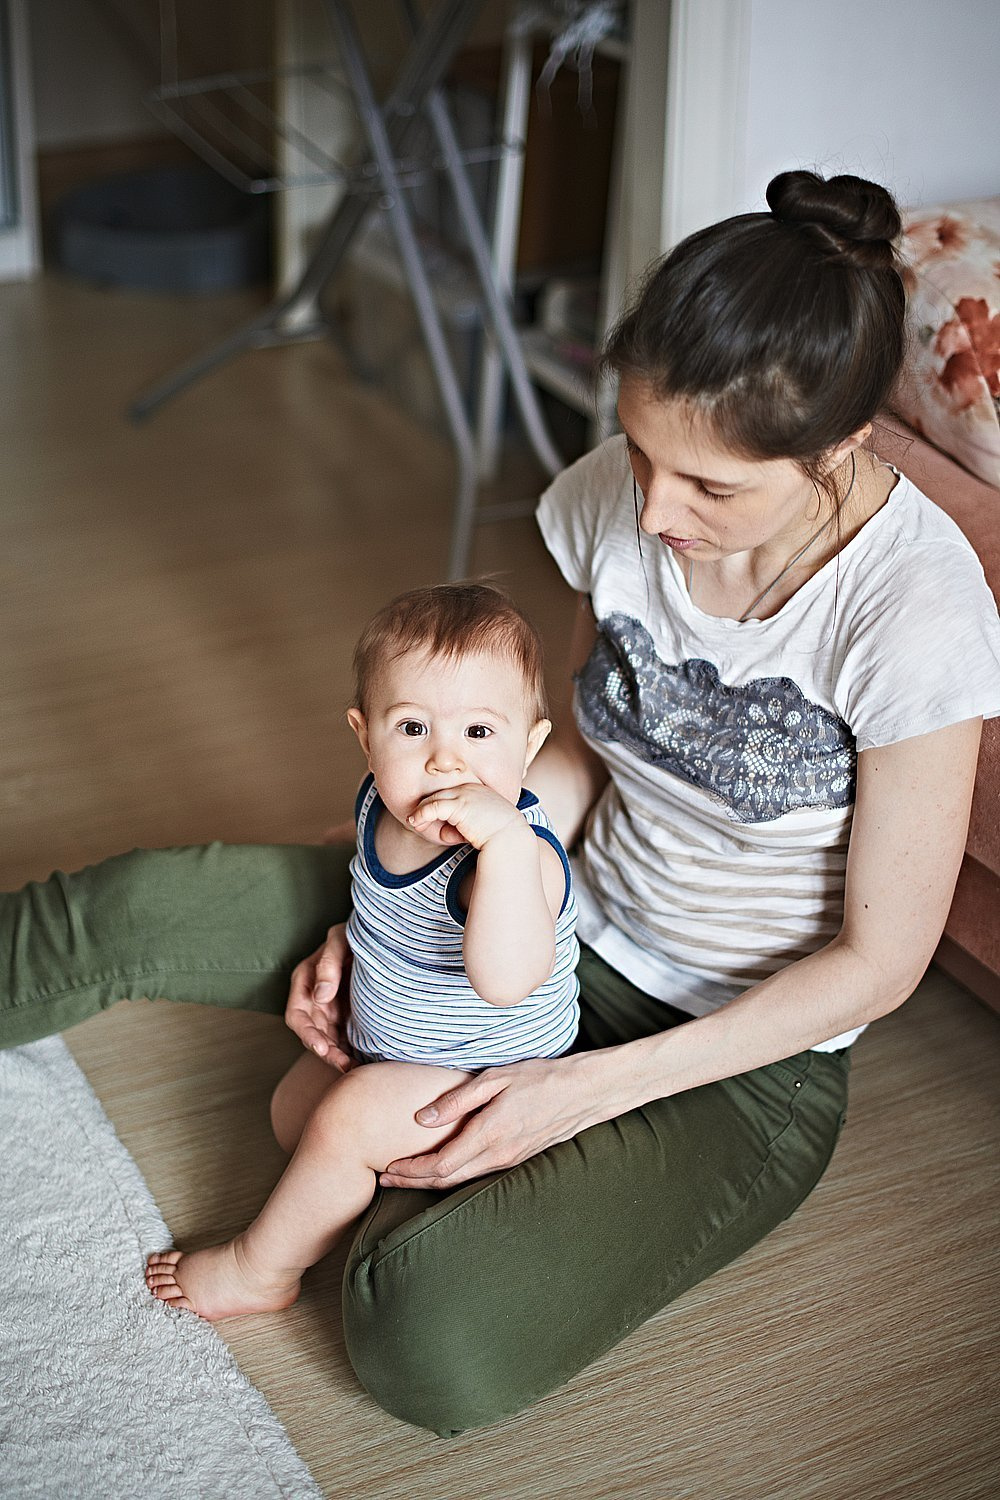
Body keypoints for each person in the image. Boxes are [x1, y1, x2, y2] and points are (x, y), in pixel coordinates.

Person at [3, 169, 1000, 1437]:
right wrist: (393, 907)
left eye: (708, 487)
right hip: (541, 916)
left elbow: (876, 965)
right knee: (129, 905)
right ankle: (385, 1137)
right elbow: (576, 746)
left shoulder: (915, 617)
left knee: (430, 1341)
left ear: (840, 447)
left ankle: (390, 1168)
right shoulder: (625, 503)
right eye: (638, 450)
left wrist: (578, 1094)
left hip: (736, 1058)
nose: (652, 509)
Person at [145, 584, 580, 1318]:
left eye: (480, 732)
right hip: (391, 1052)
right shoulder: (381, 801)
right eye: (412, 728)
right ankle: (369, 1188)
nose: (445, 762)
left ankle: (262, 1269)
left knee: (342, 1122)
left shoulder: (513, 860)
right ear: (365, 735)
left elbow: (507, 979)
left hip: (482, 1082)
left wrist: (506, 843)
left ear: (529, 747)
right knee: (292, 1114)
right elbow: (374, 872)